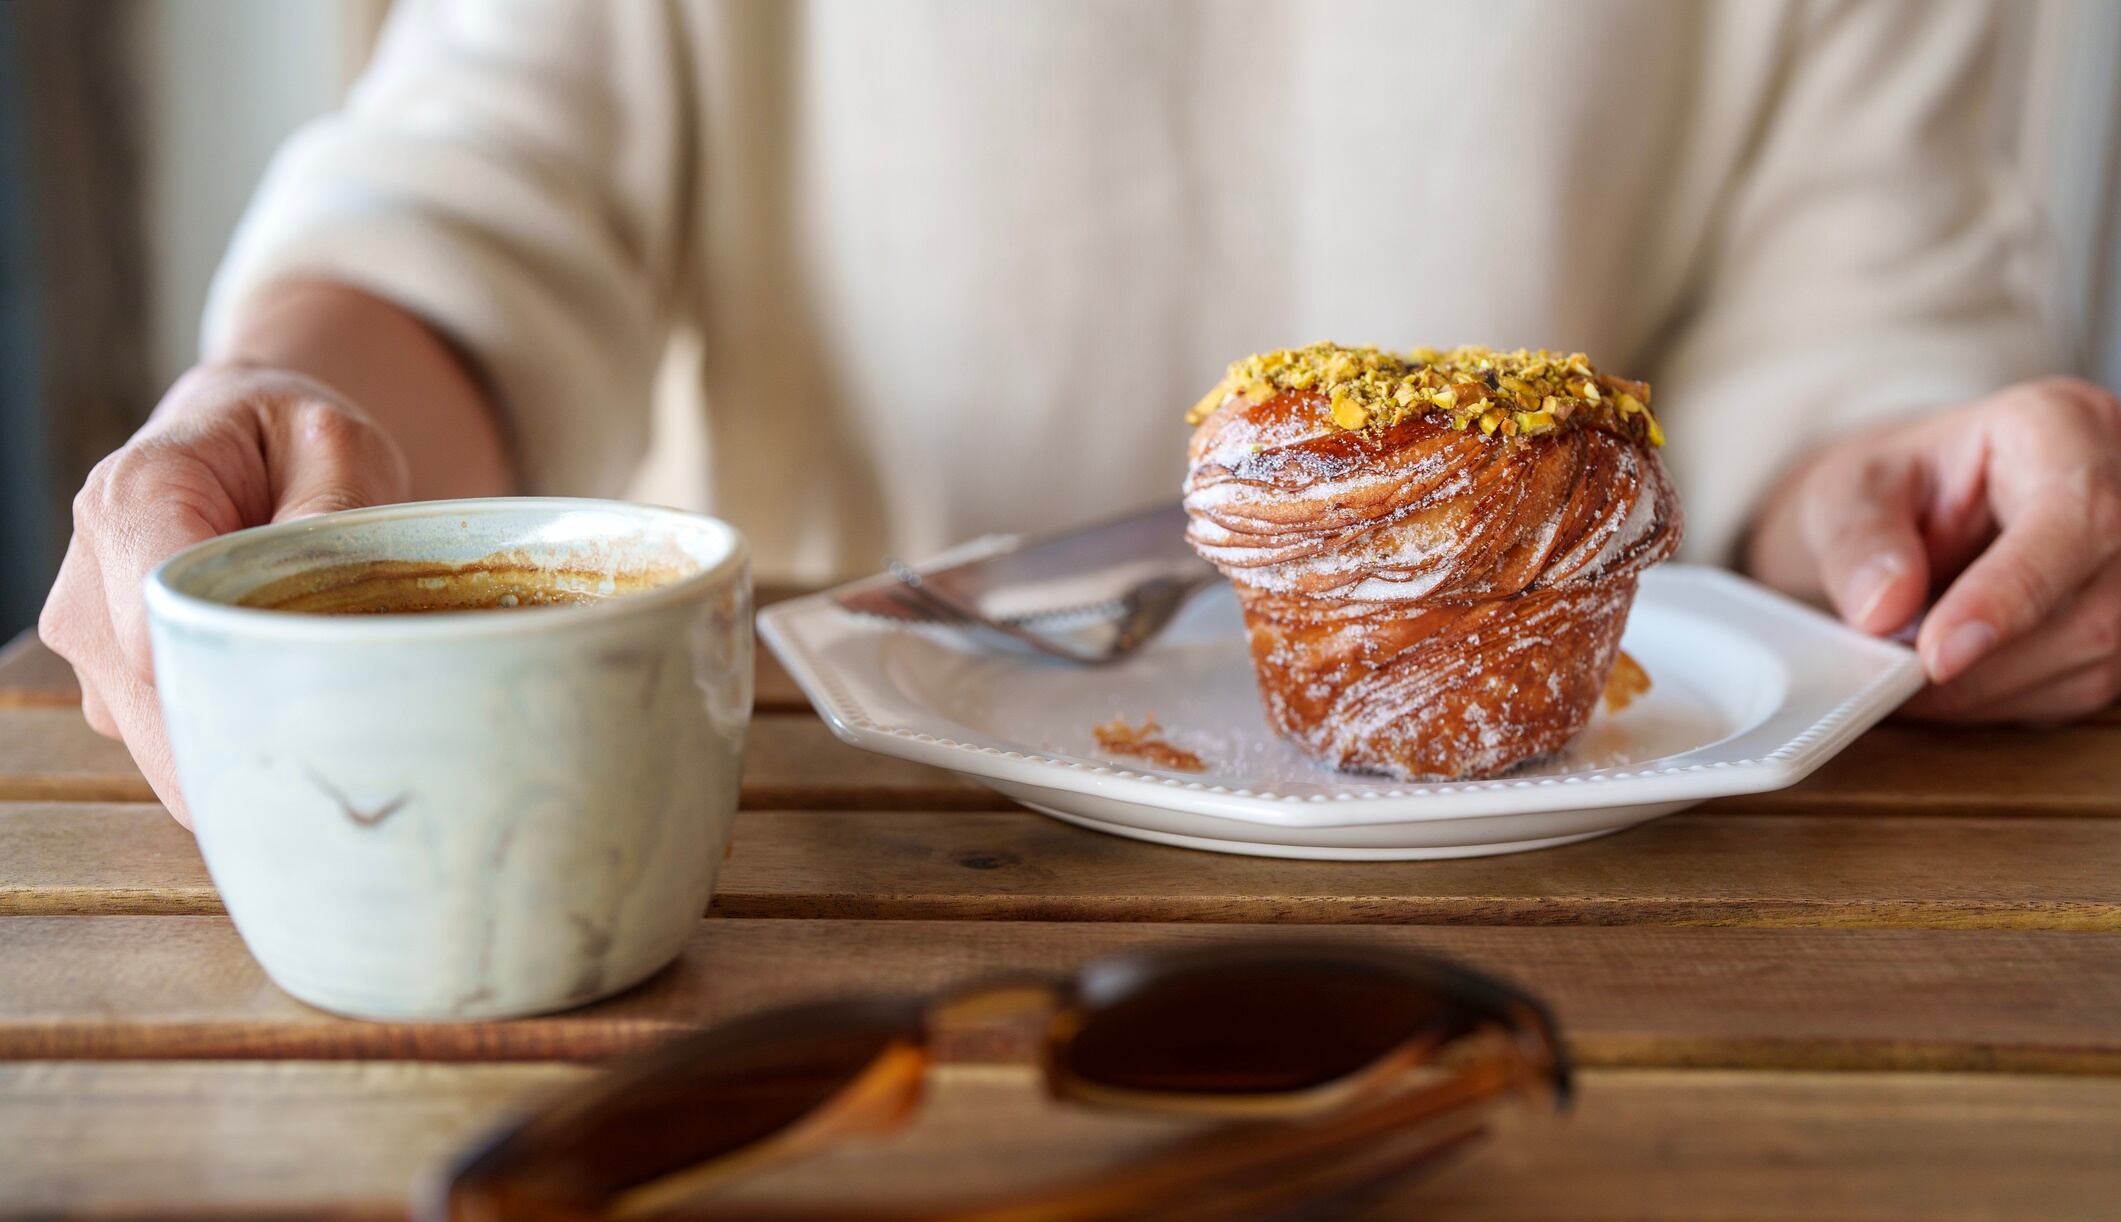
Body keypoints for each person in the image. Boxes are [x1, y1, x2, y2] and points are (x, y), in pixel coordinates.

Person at [40, 0, 2121, 826]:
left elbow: (1859, 321)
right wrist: (284, 406)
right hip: (815, 850)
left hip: (1609, 897)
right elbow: (463, 227)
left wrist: (1912, 502)